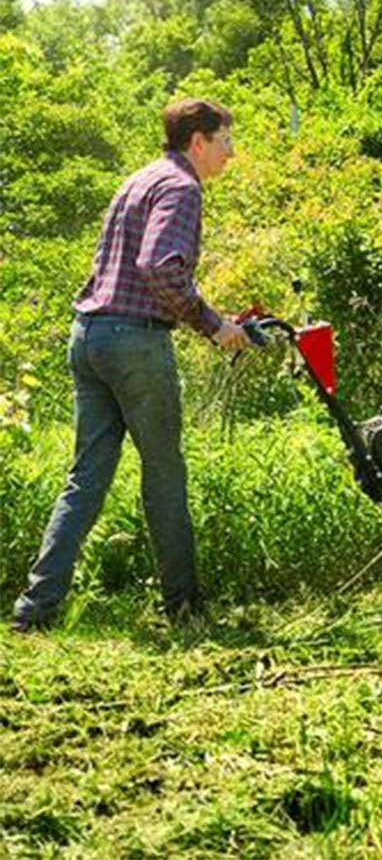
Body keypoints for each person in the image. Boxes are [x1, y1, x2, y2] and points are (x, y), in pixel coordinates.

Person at [11, 98, 250, 632]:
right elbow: (160, 268)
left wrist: (216, 318)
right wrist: (215, 326)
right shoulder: (183, 188)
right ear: (198, 141)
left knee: (86, 478)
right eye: (226, 141)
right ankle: (184, 609)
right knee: (164, 474)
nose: (231, 153)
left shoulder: (138, 180)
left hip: (89, 335)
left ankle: (34, 610)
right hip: (134, 345)